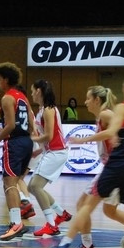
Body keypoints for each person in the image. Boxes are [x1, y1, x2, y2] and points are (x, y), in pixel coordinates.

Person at [43, 74, 124, 248]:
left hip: (115, 165)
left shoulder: (108, 114)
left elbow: (112, 131)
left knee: (84, 205)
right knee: (111, 211)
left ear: (96, 100)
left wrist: (89, 139)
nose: (85, 102)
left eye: (87, 98)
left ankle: (75, 245)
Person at [0, 62, 35, 241]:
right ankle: (17, 221)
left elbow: (10, 125)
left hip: (14, 144)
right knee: (15, 181)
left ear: (5, 79)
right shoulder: (23, 97)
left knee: (9, 183)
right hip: (27, 142)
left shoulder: (7, 98)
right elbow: (32, 123)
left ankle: (16, 223)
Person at [26, 79, 73, 236]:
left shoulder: (48, 110)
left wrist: (32, 139)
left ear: (39, 91)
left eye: (33, 90)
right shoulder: (42, 109)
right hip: (52, 151)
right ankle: (61, 213)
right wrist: (38, 151)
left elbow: (49, 136)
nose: (32, 94)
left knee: (35, 186)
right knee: (33, 187)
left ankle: (52, 225)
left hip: (56, 152)